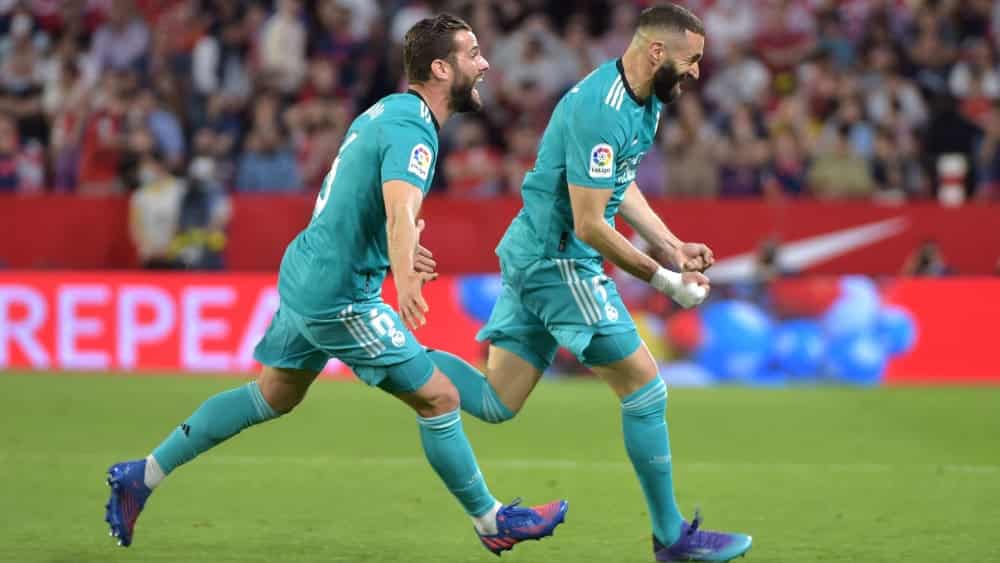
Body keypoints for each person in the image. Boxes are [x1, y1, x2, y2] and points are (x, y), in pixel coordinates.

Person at [103, 14, 567, 555]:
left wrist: (394, 250)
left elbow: (364, 201)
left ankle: (143, 474)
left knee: (273, 394)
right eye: (473, 54)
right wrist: (404, 273)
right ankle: (491, 521)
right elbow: (399, 210)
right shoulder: (414, 130)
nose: (485, 64)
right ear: (442, 69)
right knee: (438, 398)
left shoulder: (388, 110)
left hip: (307, 271)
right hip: (339, 296)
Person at [424, 5, 752, 561]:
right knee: (645, 387)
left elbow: (619, 183)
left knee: (497, 400)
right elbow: (591, 224)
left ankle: (398, 360)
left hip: (534, 252)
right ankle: (671, 537)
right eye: (692, 59)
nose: (697, 70)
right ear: (656, 52)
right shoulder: (602, 111)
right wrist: (666, 280)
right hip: (558, 262)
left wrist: (670, 244)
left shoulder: (643, 101)